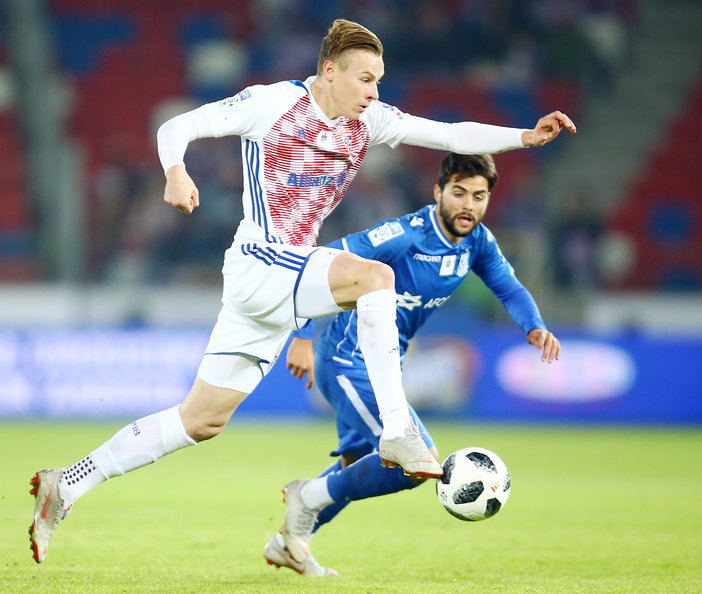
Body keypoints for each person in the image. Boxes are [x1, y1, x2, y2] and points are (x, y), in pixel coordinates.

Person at [28, 19, 575, 564]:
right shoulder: (270, 104)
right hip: (260, 264)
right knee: (375, 277)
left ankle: (67, 485)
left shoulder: (370, 122)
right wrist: (176, 172)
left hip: (278, 283)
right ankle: (397, 428)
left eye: (379, 80)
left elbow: (452, 135)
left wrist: (523, 137)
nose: (373, 92)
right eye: (364, 79)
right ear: (330, 72)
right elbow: (177, 126)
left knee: (201, 420)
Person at [263, 153, 561, 576]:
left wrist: (534, 326)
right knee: (416, 461)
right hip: (347, 358)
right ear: (438, 192)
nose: (468, 206)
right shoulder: (404, 234)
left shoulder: (477, 241)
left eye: (479, 196)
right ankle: (306, 496)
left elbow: (508, 286)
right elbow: (325, 261)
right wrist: (300, 336)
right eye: (459, 193)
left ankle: (288, 543)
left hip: (382, 365)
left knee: (358, 465)